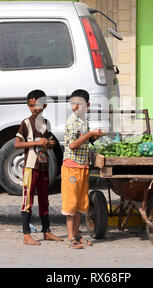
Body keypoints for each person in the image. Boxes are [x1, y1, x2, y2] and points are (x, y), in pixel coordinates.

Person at [15, 89, 63, 245]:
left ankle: (46, 231)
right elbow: (17, 143)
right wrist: (36, 142)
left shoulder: (45, 123)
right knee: (27, 200)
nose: (34, 108)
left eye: (37, 105)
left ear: (45, 105)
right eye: (31, 105)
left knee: (44, 200)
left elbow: (48, 141)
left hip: (43, 166)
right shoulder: (26, 123)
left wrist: (50, 144)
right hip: (30, 167)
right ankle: (26, 235)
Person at [61, 89, 103, 249]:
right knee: (71, 203)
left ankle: (77, 234)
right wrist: (88, 135)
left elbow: (84, 141)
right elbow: (72, 144)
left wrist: (93, 136)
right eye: (73, 104)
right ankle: (71, 236)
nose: (75, 107)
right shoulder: (72, 121)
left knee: (80, 203)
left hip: (83, 166)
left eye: (79, 104)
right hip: (72, 166)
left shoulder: (84, 121)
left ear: (88, 105)